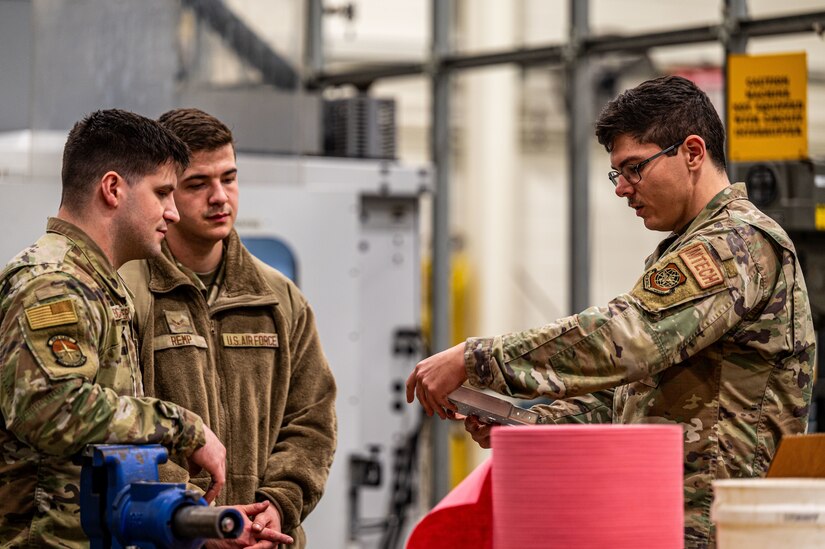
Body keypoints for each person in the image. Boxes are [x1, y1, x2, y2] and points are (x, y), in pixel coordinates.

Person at [405, 75, 815, 549]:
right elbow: (632, 393)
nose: (623, 188)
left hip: (719, 531)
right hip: (673, 521)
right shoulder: (690, 248)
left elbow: (625, 338)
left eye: (634, 168)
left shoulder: (734, 245)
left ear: (693, 152)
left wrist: (476, 359)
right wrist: (529, 425)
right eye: (617, 173)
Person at [0, 109, 228, 547]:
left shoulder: (98, 284)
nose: (173, 212)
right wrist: (182, 427)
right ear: (112, 188)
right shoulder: (53, 282)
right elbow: (50, 409)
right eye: (162, 192)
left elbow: (103, 448)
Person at [120, 108, 337, 548]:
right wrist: (199, 519)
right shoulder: (128, 293)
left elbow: (312, 422)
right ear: (166, 193)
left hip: (267, 538)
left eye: (229, 178)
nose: (220, 196)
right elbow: (122, 427)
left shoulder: (279, 299)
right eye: (198, 184)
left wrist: (277, 505)